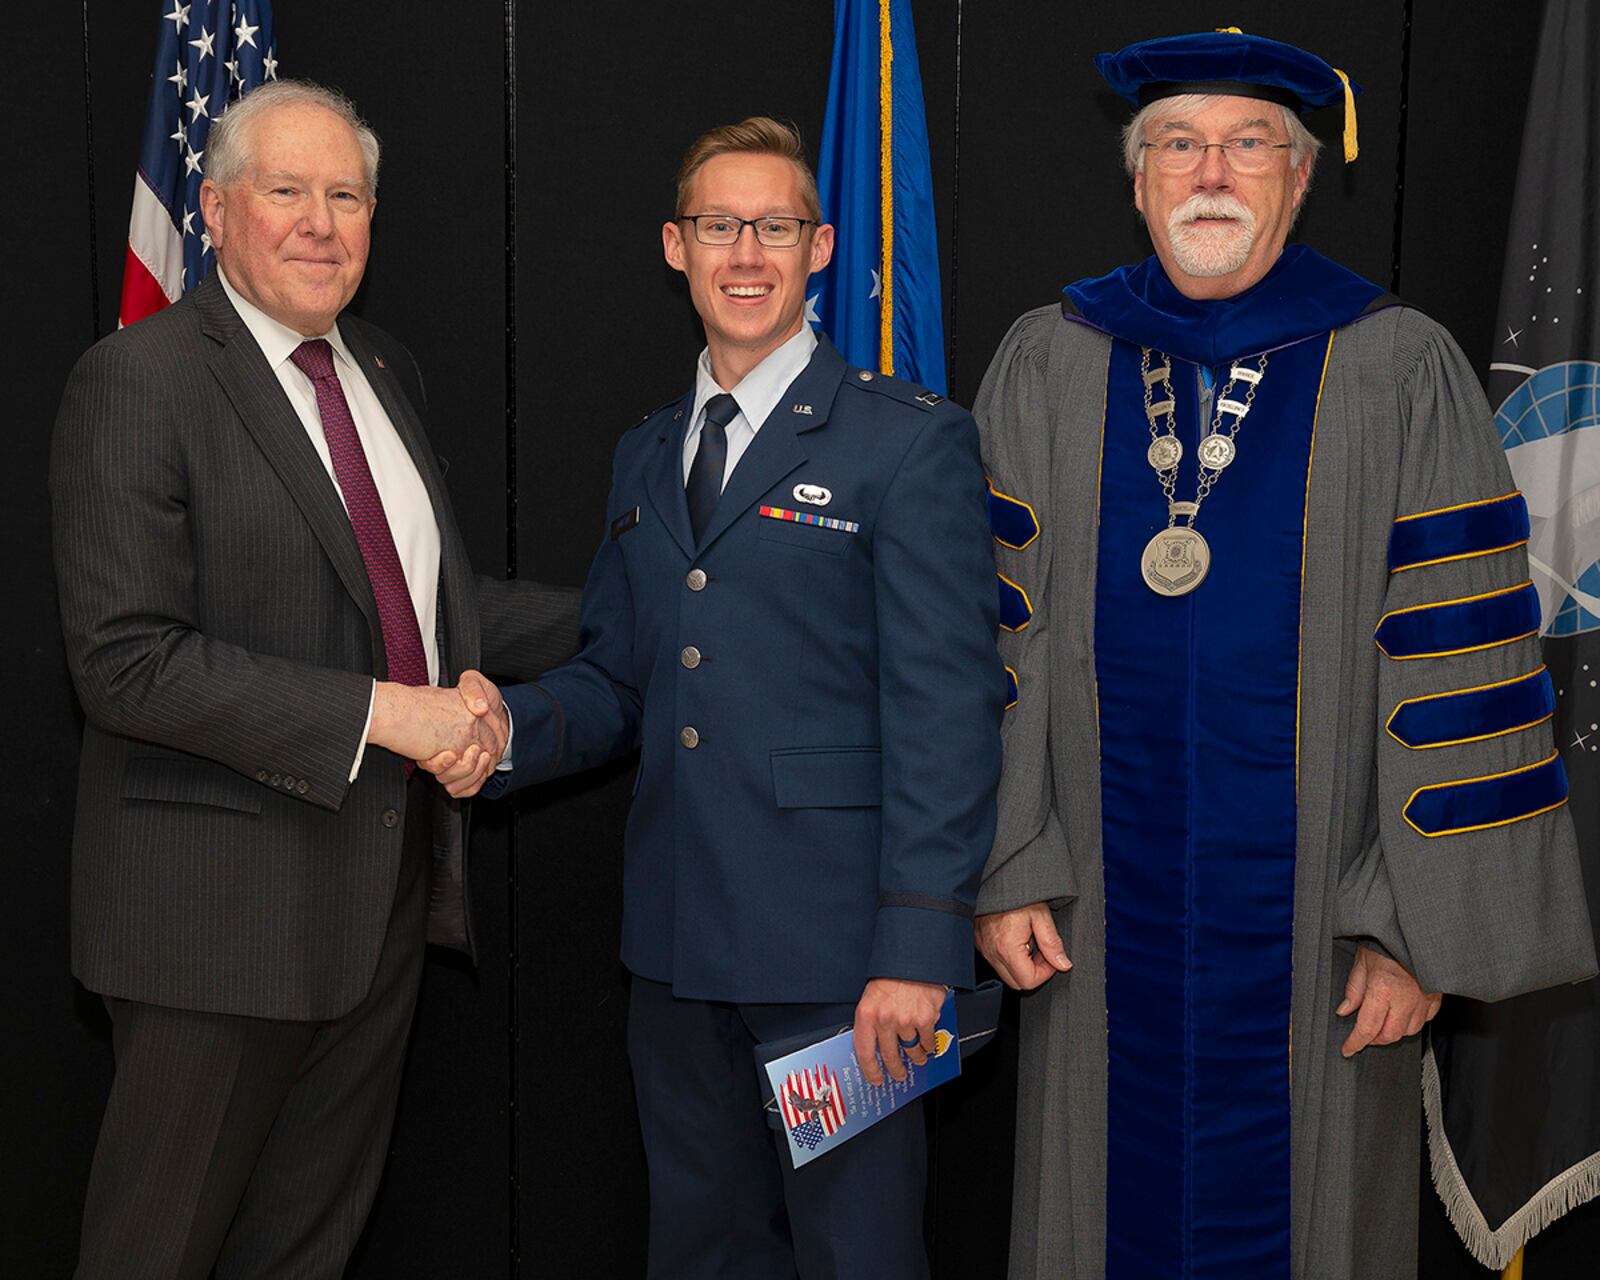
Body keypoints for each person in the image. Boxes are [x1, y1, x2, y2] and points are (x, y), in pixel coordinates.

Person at [971, 29, 1597, 1280]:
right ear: (1138, 178)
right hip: (1092, 916)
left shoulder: (1398, 366)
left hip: (1328, 930)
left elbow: (1464, 667)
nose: (1212, 169)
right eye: (1179, 144)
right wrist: (1006, 863)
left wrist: (1413, 926)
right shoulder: (1048, 360)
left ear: (1300, 177)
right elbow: (982, 638)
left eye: (1249, 143)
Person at [452, 117, 1004, 1277]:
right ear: (674, 244)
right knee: (701, 1250)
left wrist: (917, 947)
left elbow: (946, 710)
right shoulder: (646, 452)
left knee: (854, 1252)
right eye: (718, 226)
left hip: (841, 963)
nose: (745, 253)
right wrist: (502, 731)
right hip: (676, 945)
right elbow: (620, 675)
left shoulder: (908, 446)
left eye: (774, 226)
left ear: (819, 244)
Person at [50, 80, 577, 1278]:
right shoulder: (139, 380)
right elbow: (126, 662)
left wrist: (654, 616)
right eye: (287, 192)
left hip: (373, 917)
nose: (320, 222)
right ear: (219, 208)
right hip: (210, 935)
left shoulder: (382, 371)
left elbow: (431, 609)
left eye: (347, 195)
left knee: (303, 1256)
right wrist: (398, 713)